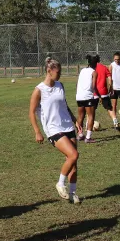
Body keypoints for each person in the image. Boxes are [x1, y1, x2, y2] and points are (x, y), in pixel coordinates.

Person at [30, 59, 83, 204]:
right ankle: (60, 183)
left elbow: (64, 105)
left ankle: (72, 193)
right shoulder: (39, 90)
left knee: (73, 162)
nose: (60, 74)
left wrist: (75, 120)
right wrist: (37, 131)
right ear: (49, 71)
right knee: (73, 155)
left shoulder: (60, 85)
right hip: (53, 129)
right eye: (58, 72)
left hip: (67, 126)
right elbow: (31, 112)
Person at [75, 55, 99, 143]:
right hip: (88, 96)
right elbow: (93, 86)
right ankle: (88, 138)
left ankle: (80, 135)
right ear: (96, 64)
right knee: (91, 116)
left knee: (81, 116)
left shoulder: (82, 70)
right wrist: (98, 95)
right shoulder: (94, 72)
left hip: (79, 96)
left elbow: (77, 84)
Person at [95, 54, 119, 131]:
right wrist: (110, 87)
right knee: (109, 108)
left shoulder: (91, 68)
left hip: (94, 92)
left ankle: (88, 126)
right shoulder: (104, 67)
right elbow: (109, 78)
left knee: (90, 110)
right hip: (104, 91)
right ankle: (116, 122)